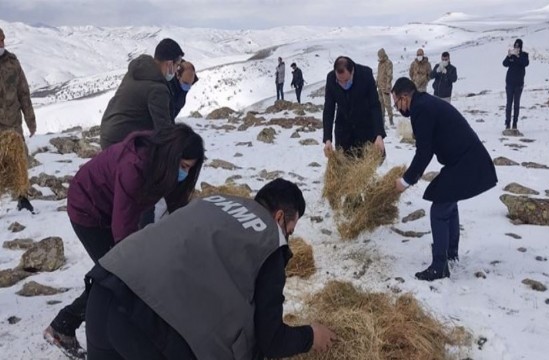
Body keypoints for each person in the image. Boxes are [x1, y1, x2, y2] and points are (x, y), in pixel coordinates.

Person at [84, 178, 336, 359]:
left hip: (104, 291)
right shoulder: (270, 241)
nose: (288, 237)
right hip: (151, 329)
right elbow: (270, 340)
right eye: (290, 231)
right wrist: (312, 336)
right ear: (280, 217)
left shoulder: (215, 202)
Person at [44, 124, 205, 358]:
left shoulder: (159, 160)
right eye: (182, 167)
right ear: (171, 157)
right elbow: (123, 228)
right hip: (87, 208)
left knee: (126, 271)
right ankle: (63, 326)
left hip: (110, 207)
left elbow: (164, 209)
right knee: (115, 274)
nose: (185, 174)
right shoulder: (134, 167)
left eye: (190, 169)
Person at [391, 77, 497, 281]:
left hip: (467, 162)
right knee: (448, 200)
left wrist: (405, 181)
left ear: (404, 97)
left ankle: (440, 266)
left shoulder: (421, 109)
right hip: (466, 160)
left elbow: (424, 152)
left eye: (397, 104)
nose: (398, 109)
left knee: (439, 209)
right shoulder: (425, 103)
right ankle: (451, 254)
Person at [100, 38, 184, 149]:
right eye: (177, 65)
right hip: (121, 145)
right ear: (169, 64)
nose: (176, 70)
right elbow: (165, 130)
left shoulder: (137, 72)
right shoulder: (157, 89)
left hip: (108, 136)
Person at [0, 27, 36, 213]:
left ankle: (23, 198)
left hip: (13, 123)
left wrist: (31, 120)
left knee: (20, 161)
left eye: (1, 40)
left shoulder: (13, 63)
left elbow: (23, 92)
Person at [322, 56, 386, 158]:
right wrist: (327, 139)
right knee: (344, 169)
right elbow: (328, 110)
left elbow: (375, 106)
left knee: (366, 169)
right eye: (340, 81)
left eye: (346, 80)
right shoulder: (331, 79)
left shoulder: (366, 75)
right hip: (344, 132)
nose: (343, 84)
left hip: (365, 129)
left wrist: (379, 135)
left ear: (352, 72)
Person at [502, 38, 529, 130]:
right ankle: (507, 123)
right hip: (509, 83)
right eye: (515, 46)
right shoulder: (511, 56)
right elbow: (504, 64)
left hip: (519, 84)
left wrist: (518, 56)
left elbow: (525, 63)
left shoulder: (524, 55)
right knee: (509, 104)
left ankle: (515, 123)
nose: (516, 48)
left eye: (518, 46)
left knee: (516, 104)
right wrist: (509, 56)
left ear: (521, 47)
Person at [376, 48, 394, 126]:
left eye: (380, 56)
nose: (379, 57)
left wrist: (388, 86)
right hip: (380, 87)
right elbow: (378, 75)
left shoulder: (388, 63)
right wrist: (376, 83)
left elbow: (389, 75)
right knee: (381, 104)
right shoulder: (380, 64)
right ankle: (382, 120)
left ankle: (391, 119)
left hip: (385, 87)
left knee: (388, 104)